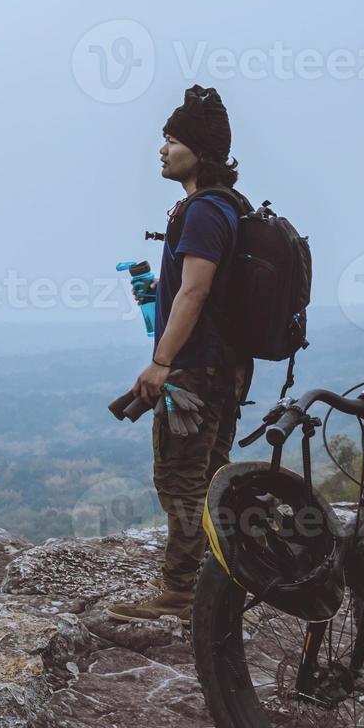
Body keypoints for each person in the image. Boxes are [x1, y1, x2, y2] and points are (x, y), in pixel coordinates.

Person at [106, 85, 248, 624]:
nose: (162, 150)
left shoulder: (204, 213)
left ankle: (181, 592)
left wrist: (162, 362)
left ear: (198, 149)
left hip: (192, 374)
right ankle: (223, 584)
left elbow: (195, 291)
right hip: (223, 373)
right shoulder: (226, 208)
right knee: (211, 477)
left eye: (170, 140)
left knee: (181, 480)